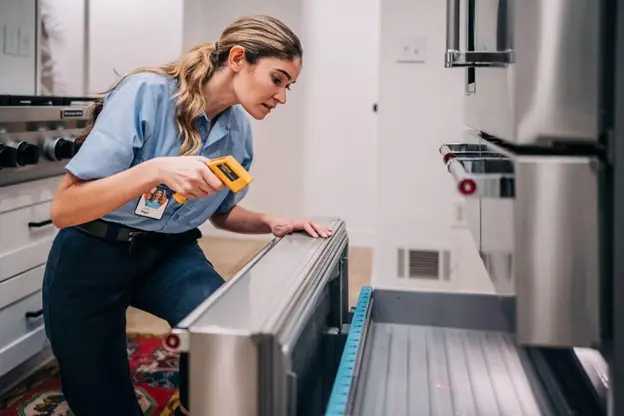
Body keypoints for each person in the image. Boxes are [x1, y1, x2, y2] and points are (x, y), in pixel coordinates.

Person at [42, 14, 333, 416]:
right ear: (237, 58)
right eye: (278, 79)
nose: (281, 97)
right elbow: (64, 209)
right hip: (91, 251)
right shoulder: (146, 92)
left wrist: (271, 222)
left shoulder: (236, 129)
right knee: (101, 401)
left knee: (222, 330)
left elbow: (222, 214)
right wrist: (155, 170)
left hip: (167, 253)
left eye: (289, 86)